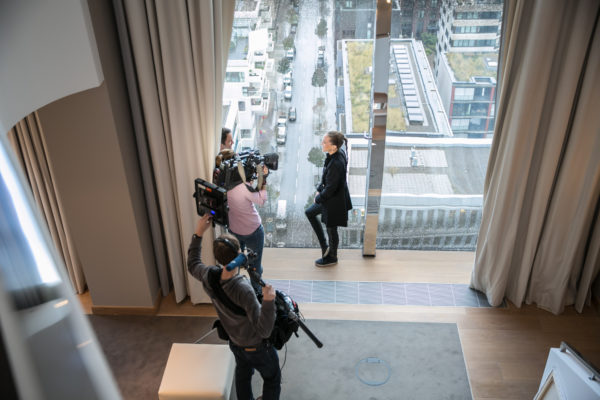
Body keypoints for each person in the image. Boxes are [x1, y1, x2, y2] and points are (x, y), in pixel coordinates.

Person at [188, 214, 281, 400]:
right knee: (272, 378)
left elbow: (193, 264)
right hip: (257, 347)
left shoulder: (209, 276)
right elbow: (263, 330)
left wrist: (199, 233)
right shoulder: (243, 289)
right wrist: (269, 302)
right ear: (239, 255)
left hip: (235, 342)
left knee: (243, 375)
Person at [305, 131, 353, 267]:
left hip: (334, 202)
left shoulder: (336, 163)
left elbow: (331, 188)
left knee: (332, 230)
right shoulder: (336, 154)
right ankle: (325, 247)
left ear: (333, 146)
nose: (322, 143)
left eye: (325, 142)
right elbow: (327, 179)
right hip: (332, 198)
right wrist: (319, 190)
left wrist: (318, 198)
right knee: (310, 213)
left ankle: (332, 257)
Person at [227, 163, 269, 294]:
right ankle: (256, 294)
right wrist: (264, 179)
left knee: (234, 262)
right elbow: (262, 200)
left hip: (233, 229)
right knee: (255, 266)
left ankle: (234, 290)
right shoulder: (244, 188)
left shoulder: (225, 184)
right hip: (252, 231)